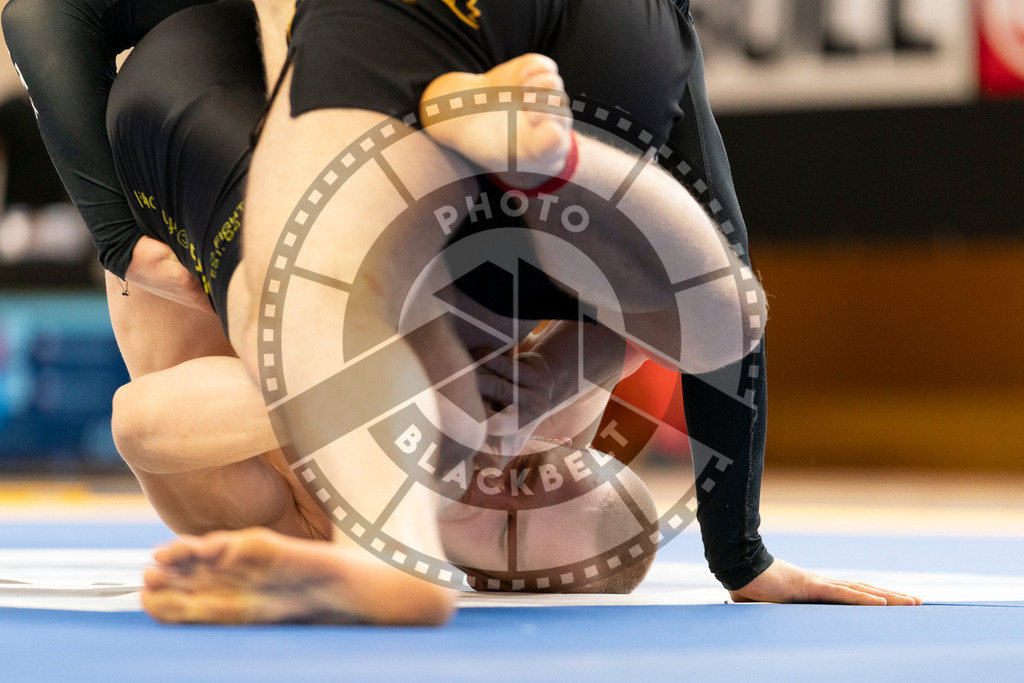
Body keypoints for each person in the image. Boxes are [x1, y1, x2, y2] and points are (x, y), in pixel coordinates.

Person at [2, 0, 920, 624]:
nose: (512, 465)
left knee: (307, 298)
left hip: (202, 116)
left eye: (513, 509)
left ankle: (512, 160)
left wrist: (119, 236)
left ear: (487, 571)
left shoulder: (276, 515)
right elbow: (694, 272)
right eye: (558, 466)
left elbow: (140, 420)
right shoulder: (545, 409)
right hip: (419, 107)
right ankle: (543, 160)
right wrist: (740, 552)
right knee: (714, 312)